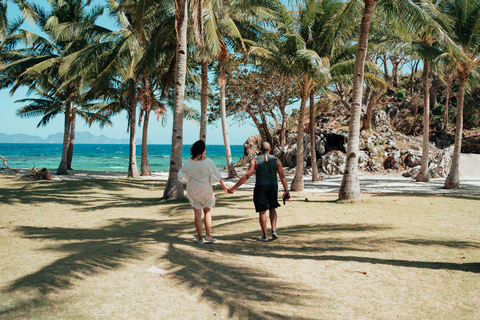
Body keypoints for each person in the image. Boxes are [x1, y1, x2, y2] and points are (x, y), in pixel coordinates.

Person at [227, 142, 289, 242]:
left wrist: (234, 187)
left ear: (260, 150)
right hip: (273, 187)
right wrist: (286, 190)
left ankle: (265, 236)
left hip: (260, 188)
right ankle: (273, 230)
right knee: (272, 208)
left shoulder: (255, 161)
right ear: (270, 149)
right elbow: (282, 176)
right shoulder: (276, 160)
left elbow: (247, 176)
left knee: (262, 212)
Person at [178, 140, 228, 245]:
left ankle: (200, 238)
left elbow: (182, 175)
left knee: (197, 214)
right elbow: (218, 176)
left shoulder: (188, 162)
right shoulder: (209, 162)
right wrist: (225, 188)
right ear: (204, 150)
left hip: (193, 190)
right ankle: (208, 235)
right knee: (207, 212)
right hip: (206, 190)